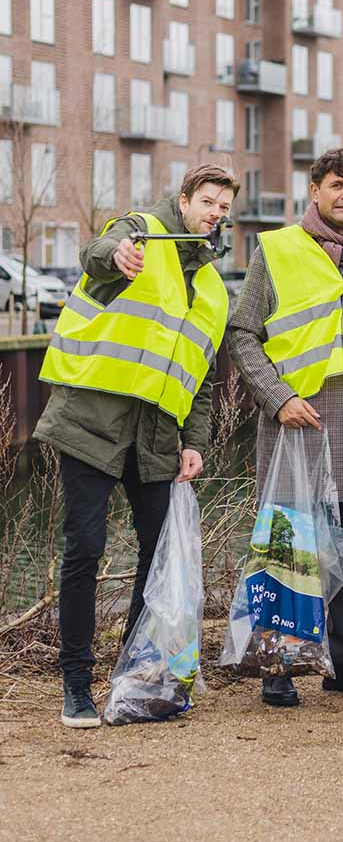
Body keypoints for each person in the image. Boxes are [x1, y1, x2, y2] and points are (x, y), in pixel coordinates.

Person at [35, 164, 237, 728]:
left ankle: (132, 670)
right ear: (184, 200)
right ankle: (76, 683)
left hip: (156, 438)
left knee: (157, 555)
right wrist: (118, 254)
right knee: (85, 548)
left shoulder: (216, 290)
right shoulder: (142, 234)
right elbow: (99, 253)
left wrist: (194, 443)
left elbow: (202, 379)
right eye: (208, 201)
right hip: (92, 420)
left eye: (224, 207)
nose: (216, 212)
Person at [228, 147, 343, 707]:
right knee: (290, 548)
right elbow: (242, 334)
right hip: (297, 421)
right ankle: (278, 666)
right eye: (337, 183)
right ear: (315, 190)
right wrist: (277, 397)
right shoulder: (276, 248)